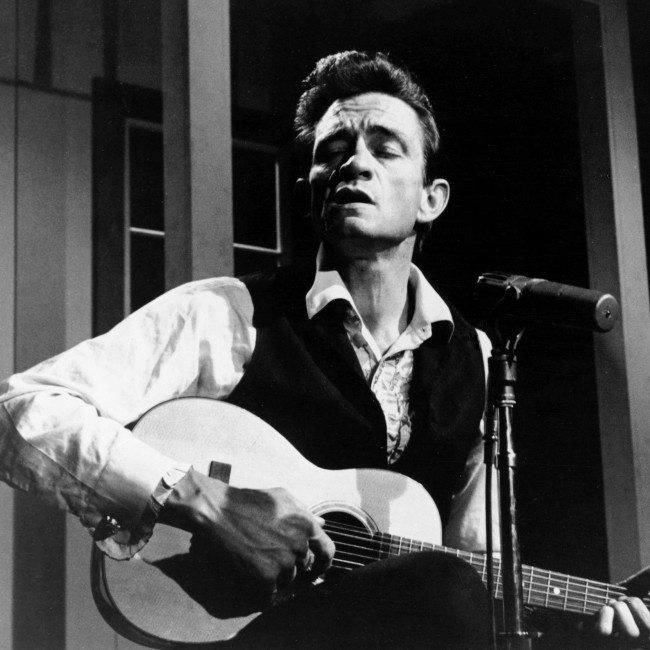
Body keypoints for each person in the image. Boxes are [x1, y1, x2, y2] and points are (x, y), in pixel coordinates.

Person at [0, 50, 647, 648]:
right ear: (310, 189)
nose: (354, 163)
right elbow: (20, 408)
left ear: (432, 200)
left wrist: (584, 615)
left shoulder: (476, 356)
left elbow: (473, 569)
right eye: (333, 150)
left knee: (450, 587)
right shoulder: (229, 314)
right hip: (255, 635)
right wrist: (206, 502)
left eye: (385, 148)